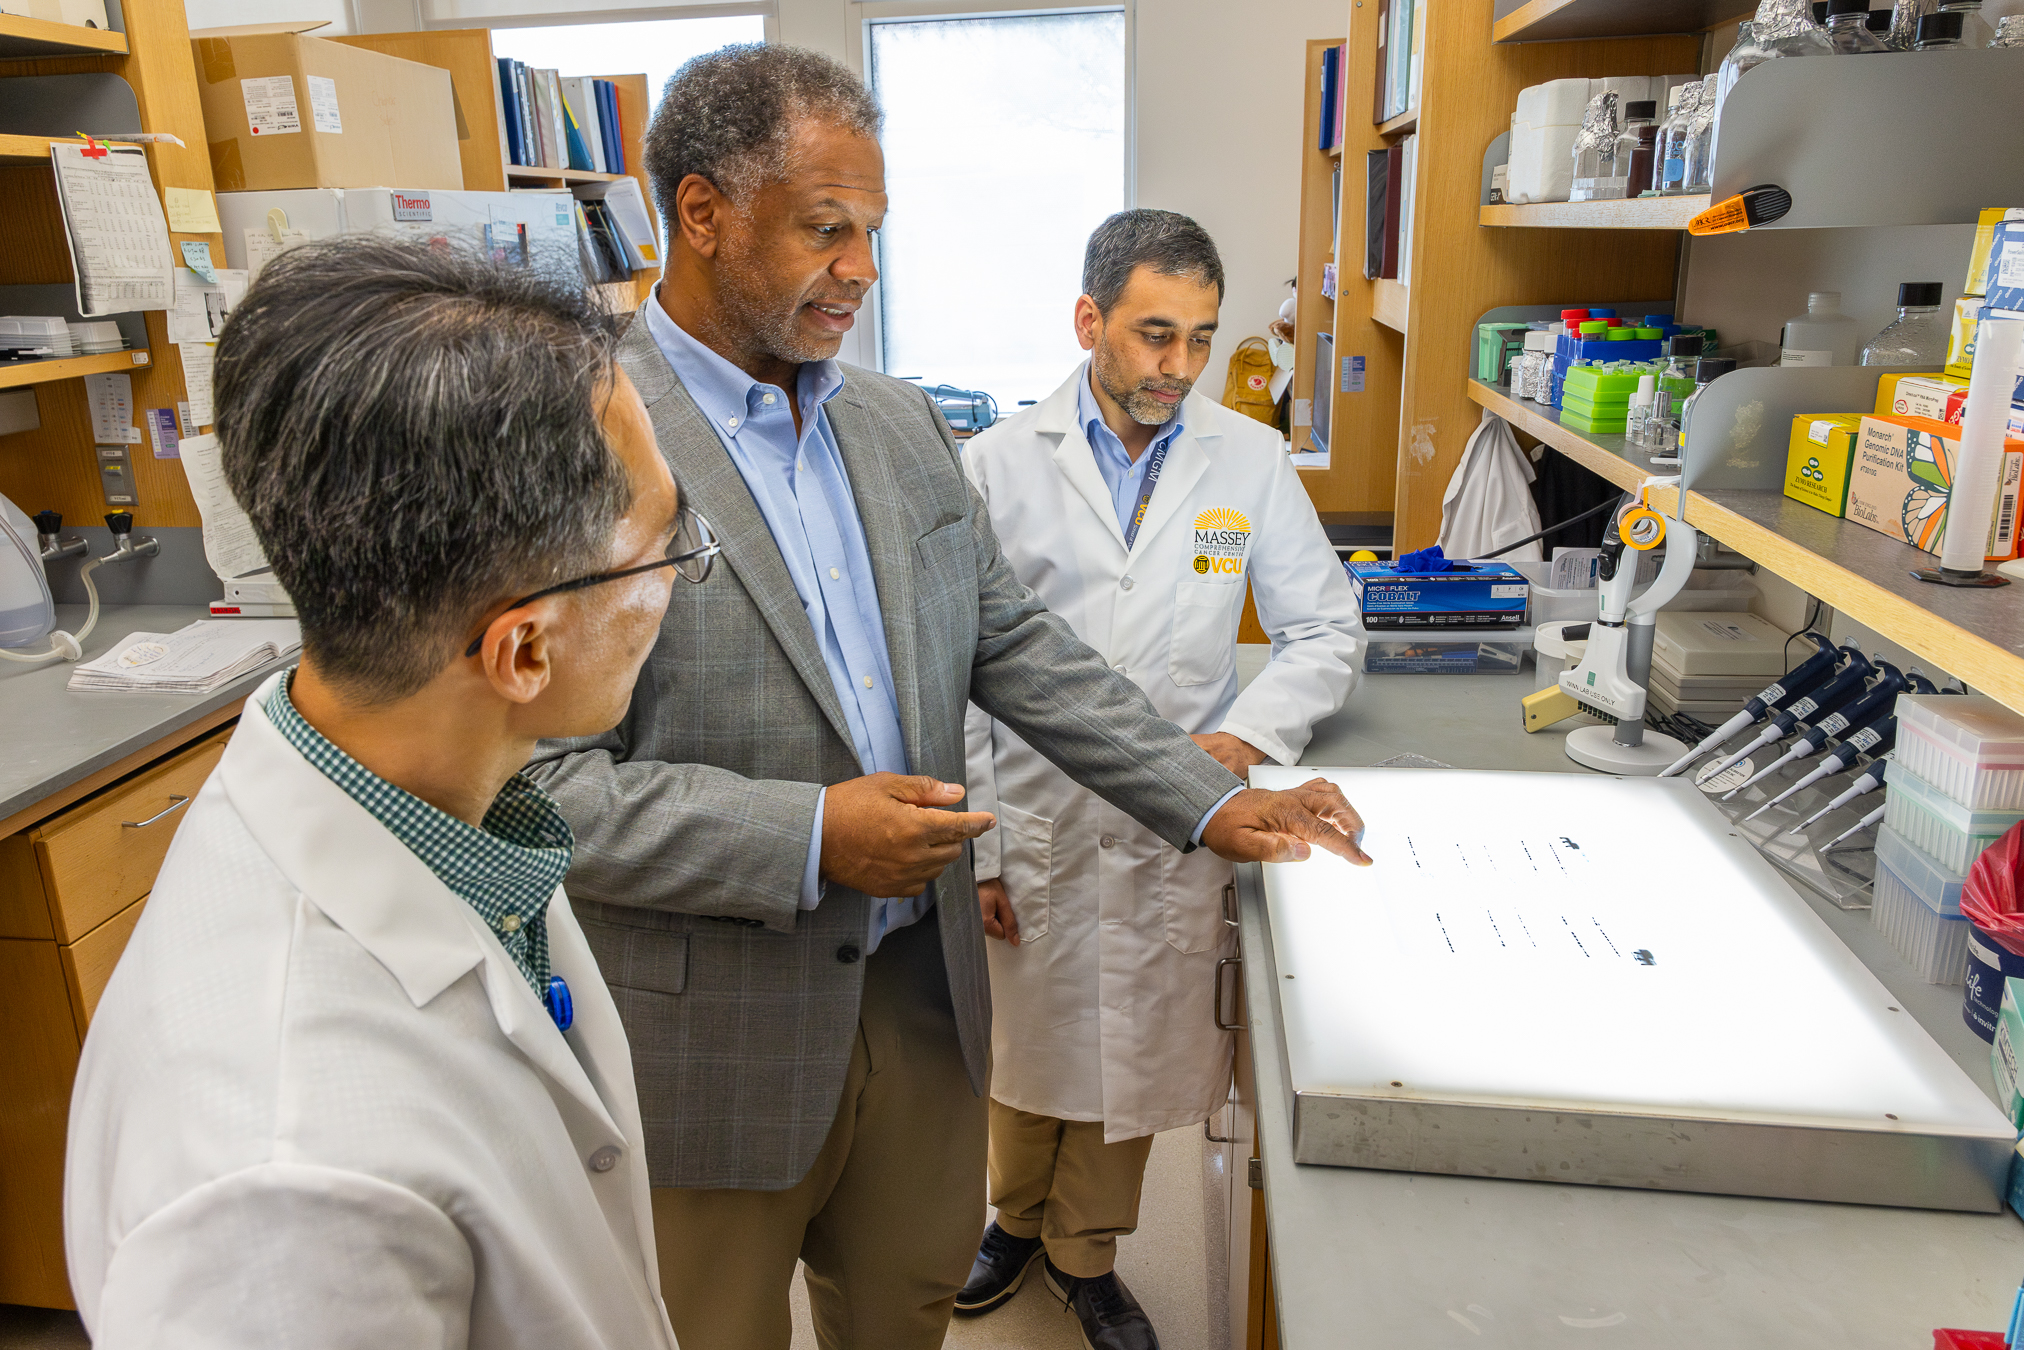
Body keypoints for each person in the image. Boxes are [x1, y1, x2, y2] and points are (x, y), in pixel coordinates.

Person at [523, 43, 1369, 1350]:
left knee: (906, 1306)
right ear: (702, 214)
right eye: (826, 229)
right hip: (716, 1030)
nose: (862, 267)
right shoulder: (577, 439)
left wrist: (1214, 801)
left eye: (872, 231)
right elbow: (535, 793)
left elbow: (1019, 646)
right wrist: (810, 837)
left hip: (921, 993)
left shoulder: (897, 425)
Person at [64, 239, 701, 1350]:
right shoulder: (283, 1189)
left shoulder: (437, 803)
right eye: (664, 542)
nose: (679, 576)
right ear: (522, 653)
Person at [955, 210, 1363, 1348]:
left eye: (1196, 339)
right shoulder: (993, 467)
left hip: (1174, 821)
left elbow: (1323, 630)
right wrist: (978, 844)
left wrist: (1243, 742)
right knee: (1020, 1044)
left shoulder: (1247, 459)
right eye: (1150, 336)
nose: (1175, 368)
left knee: (1128, 1054)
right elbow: (954, 671)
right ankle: (1012, 1222)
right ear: (1088, 322)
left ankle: (1086, 1255)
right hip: (1027, 814)